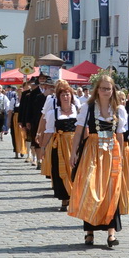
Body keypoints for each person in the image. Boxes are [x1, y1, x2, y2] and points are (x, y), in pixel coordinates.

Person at [71, 71, 129, 247]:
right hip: (92, 150)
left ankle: (111, 233)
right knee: (91, 187)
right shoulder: (88, 107)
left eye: (108, 89)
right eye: (102, 88)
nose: (106, 91)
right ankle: (89, 232)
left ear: (113, 90)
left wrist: (123, 157)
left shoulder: (119, 109)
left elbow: (120, 135)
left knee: (111, 189)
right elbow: (78, 132)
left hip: (111, 151)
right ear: (97, 90)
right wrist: (73, 153)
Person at [41, 80, 76, 211]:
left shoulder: (78, 111)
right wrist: (43, 148)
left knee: (74, 170)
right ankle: (64, 199)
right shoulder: (54, 113)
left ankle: (74, 196)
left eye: (67, 94)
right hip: (60, 144)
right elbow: (49, 131)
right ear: (59, 98)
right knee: (60, 171)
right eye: (63, 95)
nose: (66, 97)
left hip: (74, 144)